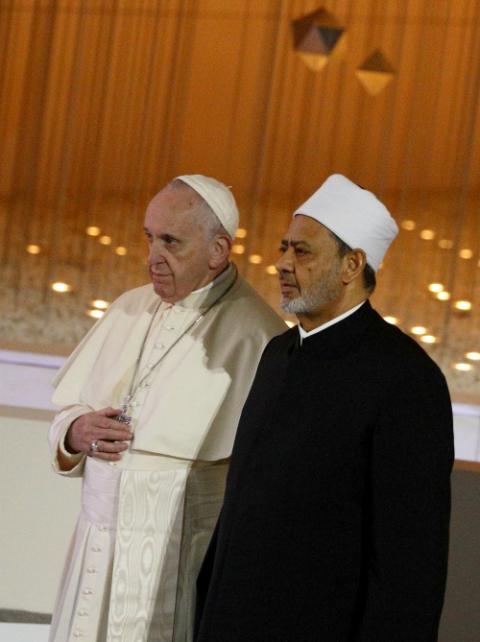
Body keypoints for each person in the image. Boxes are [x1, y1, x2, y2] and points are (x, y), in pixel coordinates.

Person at [194, 174, 454, 642]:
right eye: (283, 248)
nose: (282, 264)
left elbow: (409, 563)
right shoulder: (278, 353)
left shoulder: (406, 379)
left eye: (302, 251)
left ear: (352, 264)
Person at [48, 174, 285, 642]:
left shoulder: (260, 336)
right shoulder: (128, 308)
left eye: (171, 242)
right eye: (149, 238)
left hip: (173, 557)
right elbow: (68, 409)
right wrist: (75, 431)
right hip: (94, 547)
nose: (151, 257)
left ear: (218, 250)